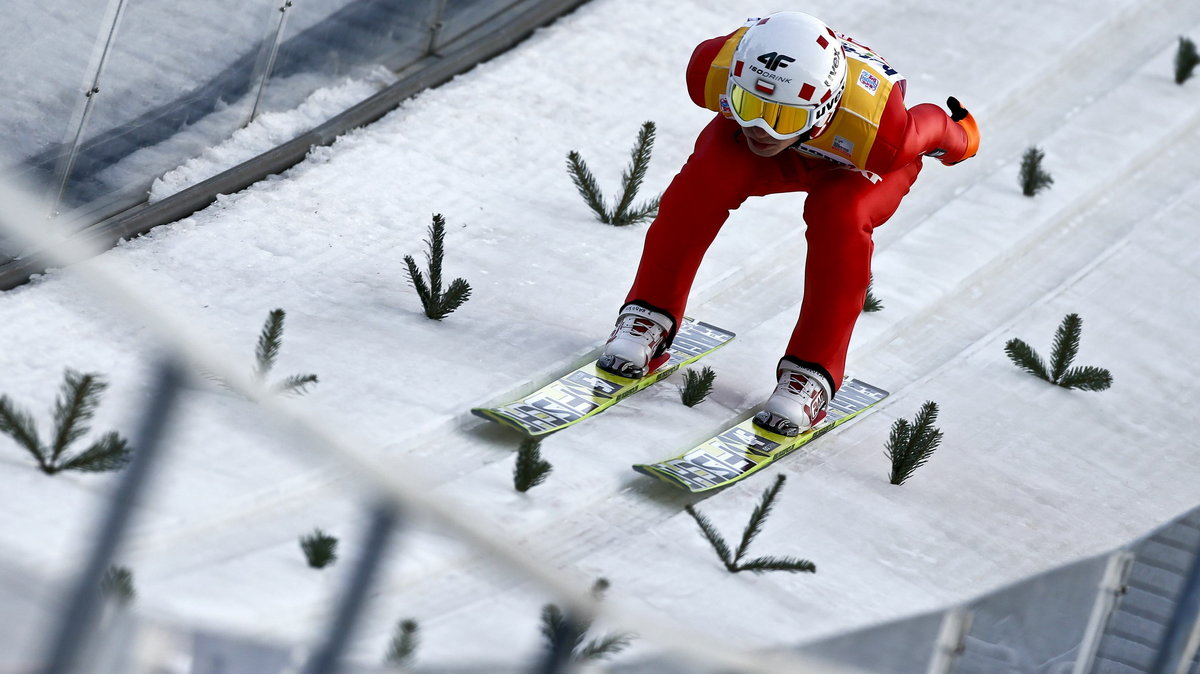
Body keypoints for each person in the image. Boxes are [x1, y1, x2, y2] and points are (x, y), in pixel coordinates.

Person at [597, 11, 980, 436]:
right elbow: (757, 121)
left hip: (856, 159)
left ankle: (812, 374)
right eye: (748, 105)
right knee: (707, 175)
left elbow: (934, 125)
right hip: (802, 143)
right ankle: (650, 313)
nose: (761, 127)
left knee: (840, 215)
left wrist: (962, 137)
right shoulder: (712, 68)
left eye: (782, 116)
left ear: (823, 107)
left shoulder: (882, 132)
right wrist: (770, 119)